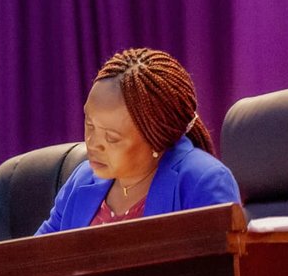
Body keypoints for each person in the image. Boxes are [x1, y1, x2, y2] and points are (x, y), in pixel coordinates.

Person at [36, 47, 241, 234]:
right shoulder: (82, 180)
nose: (92, 142)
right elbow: (37, 260)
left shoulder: (202, 181)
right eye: (89, 124)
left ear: (155, 138)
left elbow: (218, 272)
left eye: (111, 137)